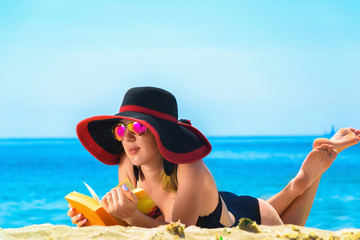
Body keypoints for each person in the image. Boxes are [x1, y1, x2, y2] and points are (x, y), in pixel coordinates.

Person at [67, 86, 360, 228]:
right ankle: (299, 182)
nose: (127, 137)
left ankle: (308, 177)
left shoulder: (189, 168)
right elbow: (136, 224)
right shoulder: (127, 165)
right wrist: (96, 219)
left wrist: (130, 215)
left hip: (242, 217)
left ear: (161, 134)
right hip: (217, 205)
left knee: (293, 230)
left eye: (138, 127)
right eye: (121, 130)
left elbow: (181, 234)